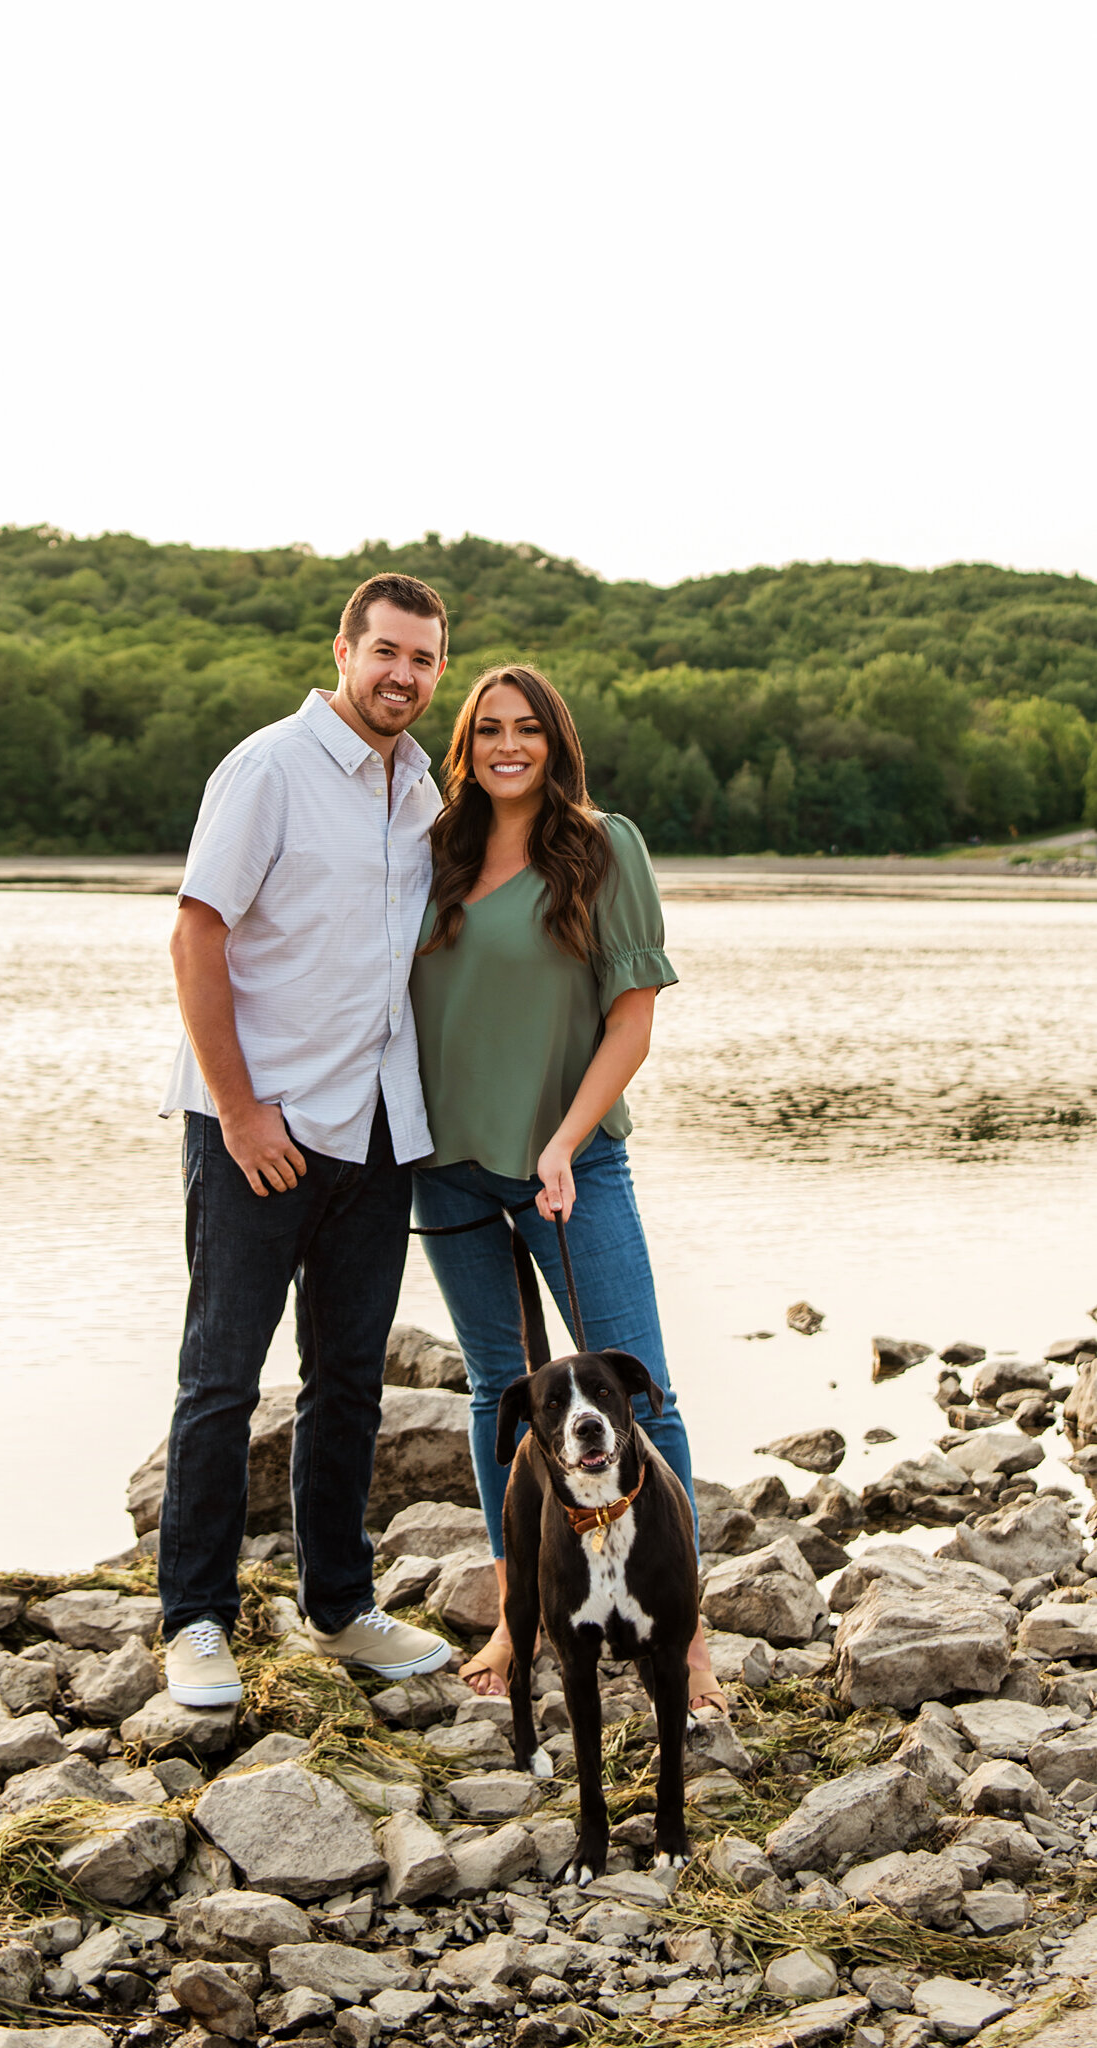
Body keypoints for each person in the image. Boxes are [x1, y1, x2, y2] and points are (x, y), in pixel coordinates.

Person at [156, 573, 455, 1708]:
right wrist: (239, 1109)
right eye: (385, 651)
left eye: (423, 660)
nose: (402, 676)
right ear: (343, 648)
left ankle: (339, 1603)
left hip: (379, 1130)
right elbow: (195, 937)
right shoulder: (269, 767)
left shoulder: (421, 786)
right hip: (261, 1126)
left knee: (350, 1382)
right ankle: (194, 1617)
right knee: (221, 1378)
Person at [410, 664, 726, 1711]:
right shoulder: (435, 853)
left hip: (570, 1168)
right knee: (500, 1399)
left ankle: (686, 1645)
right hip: (450, 1170)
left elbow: (631, 1020)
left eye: (528, 728)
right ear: (468, 743)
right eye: (489, 728)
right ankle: (518, 1618)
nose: (509, 745)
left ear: (556, 740)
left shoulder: (602, 845)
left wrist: (562, 1141)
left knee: (647, 1395)